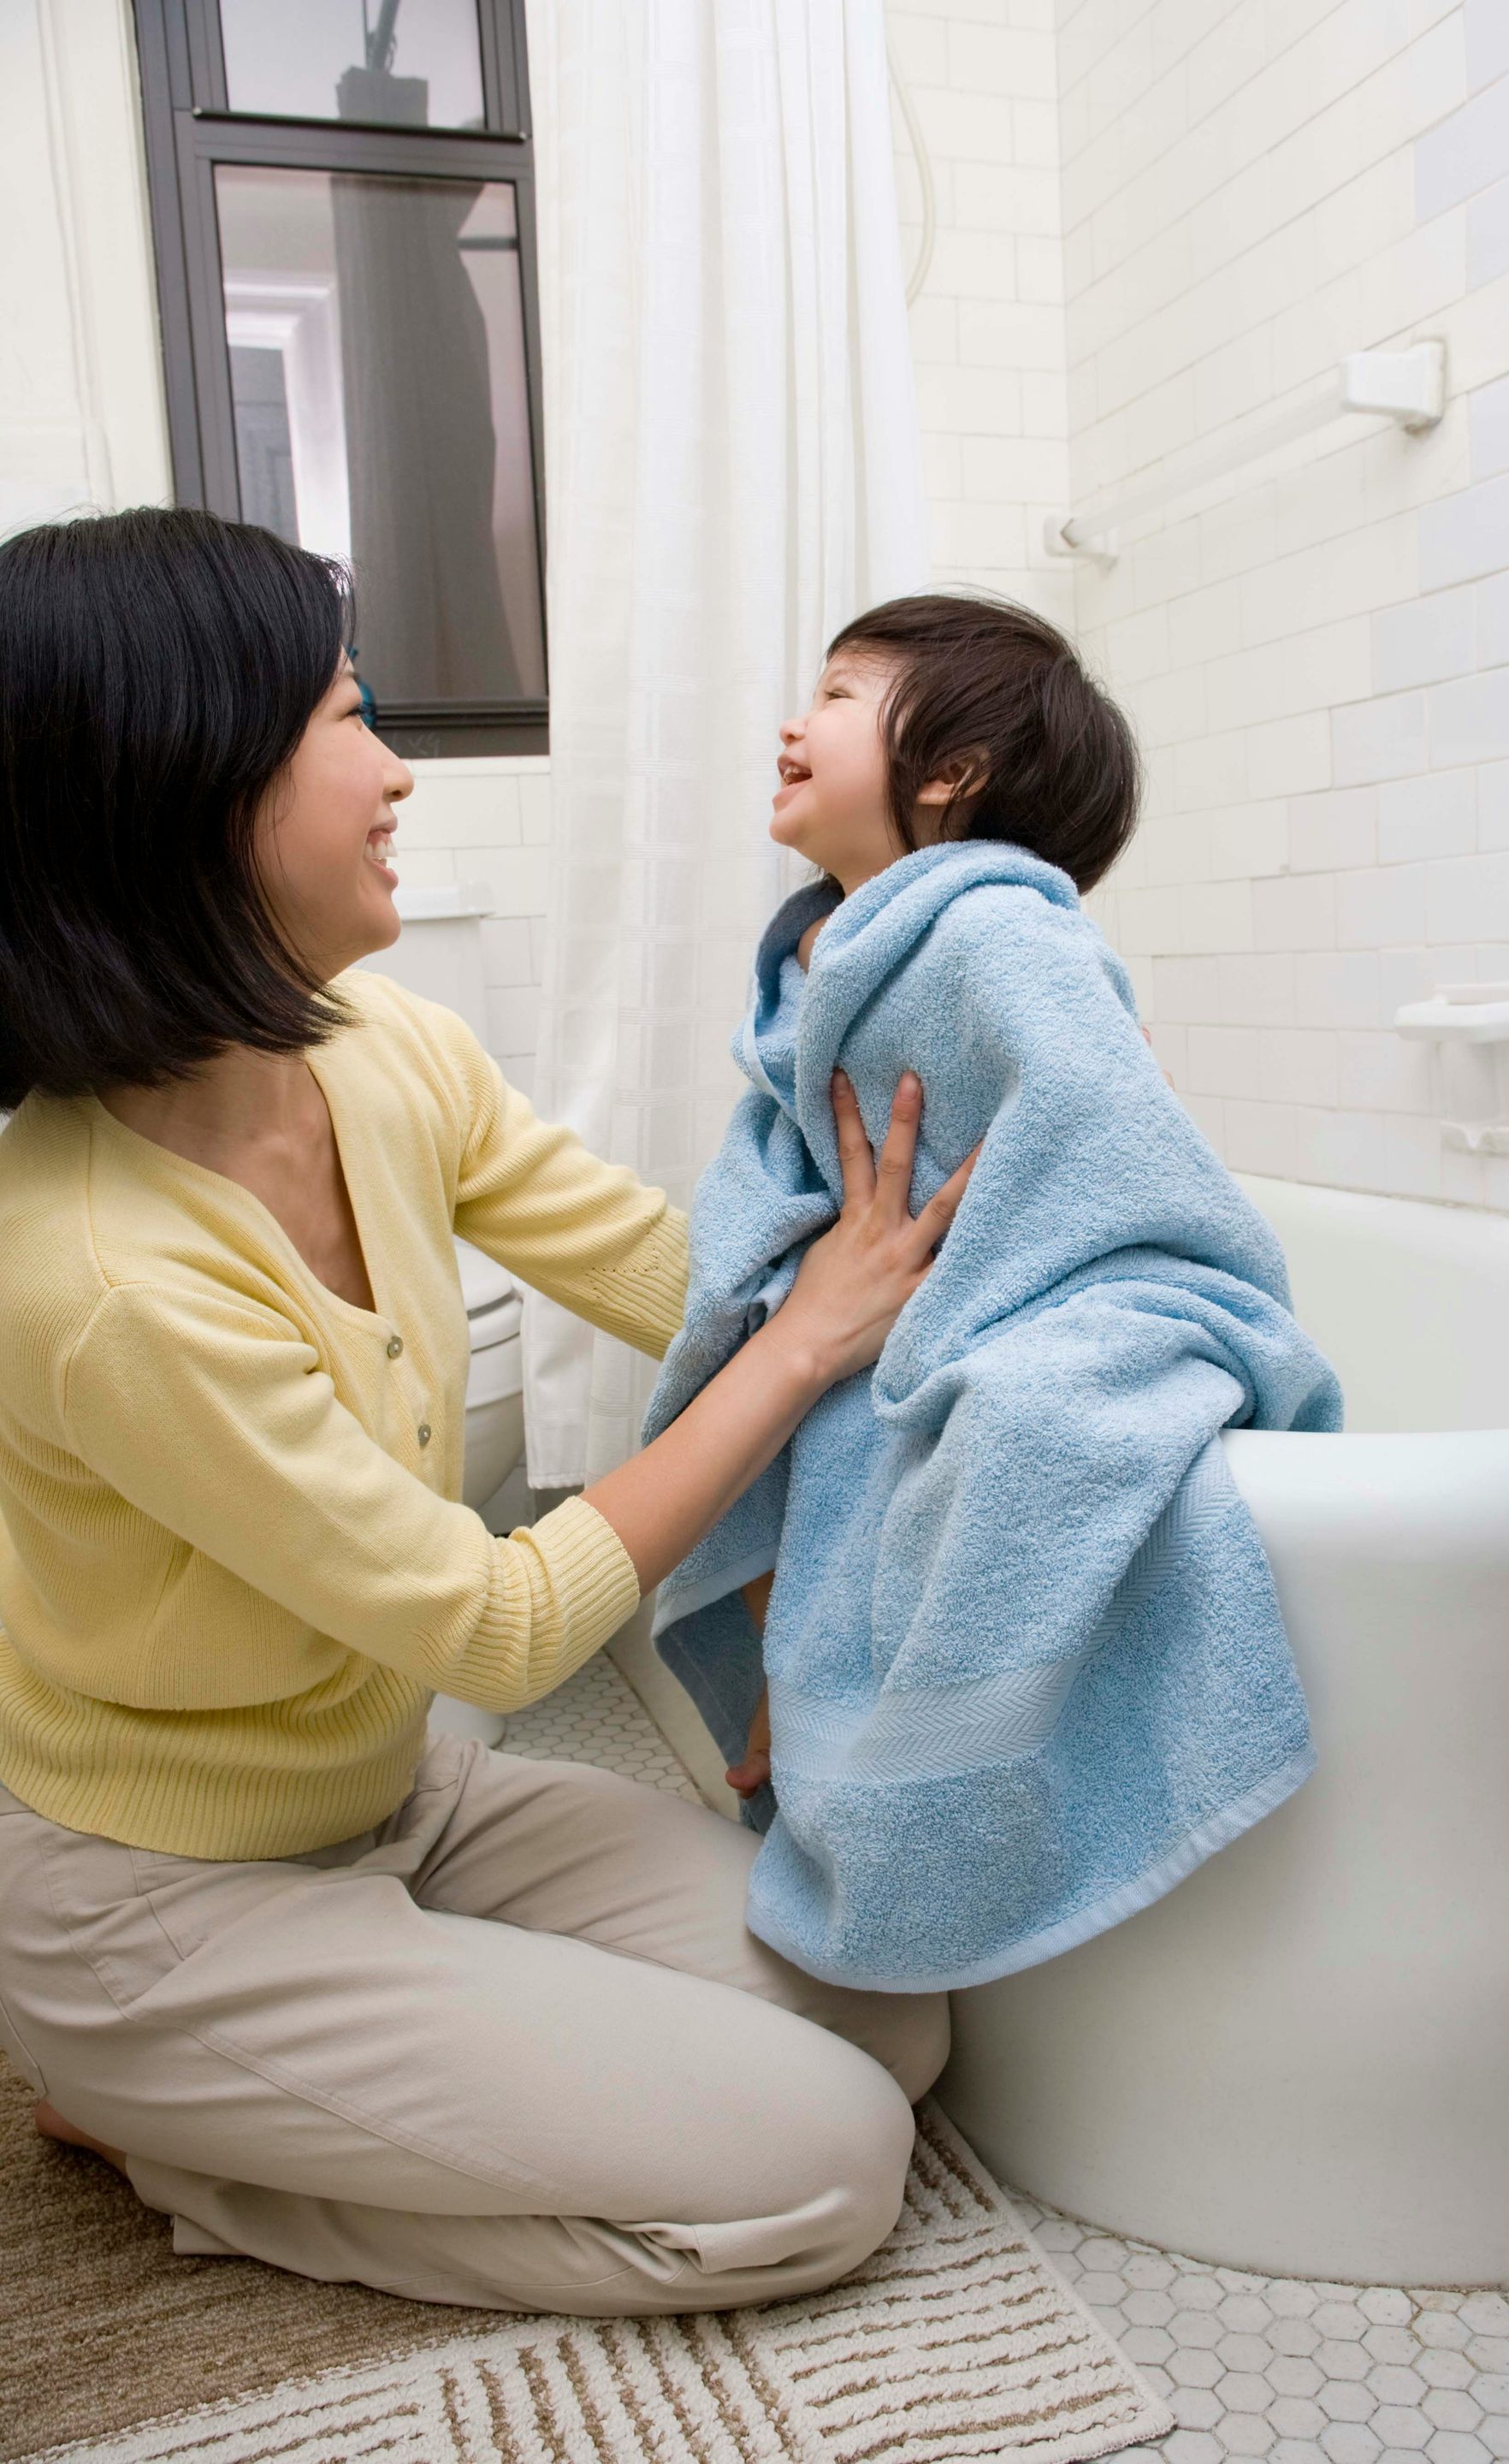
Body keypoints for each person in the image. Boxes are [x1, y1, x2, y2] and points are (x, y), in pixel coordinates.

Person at [0, 510, 975, 2316]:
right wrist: (801, 1352)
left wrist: (935, 1305)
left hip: (403, 1799)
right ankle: (166, 2141)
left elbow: (671, 1285)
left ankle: (347, 2053)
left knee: (886, 2013)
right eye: (345, 717)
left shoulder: (385, 1052)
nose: (395, 771)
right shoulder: (95, 1271)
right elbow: (497, 1624)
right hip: (167, 1903)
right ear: (179, 790)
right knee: (824, 2169)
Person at [725, 593, 1140, 1802]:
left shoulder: (997, 932)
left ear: (950, 771)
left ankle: (920, 1779)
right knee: (796, 1432)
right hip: (868, 1317)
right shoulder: (834, 948)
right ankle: (809, 1728)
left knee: (980, 1428)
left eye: (839, 697)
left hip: (998, 1321)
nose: (794, 725)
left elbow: (1112, 1147)